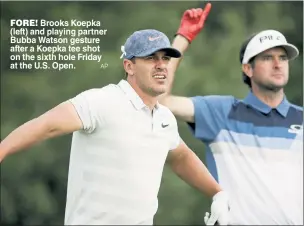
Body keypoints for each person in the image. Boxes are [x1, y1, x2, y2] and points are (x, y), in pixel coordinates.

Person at [0, 28, 231, 225]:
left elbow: (181, 157)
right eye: (151, 58)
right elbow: (46, 125)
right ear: (129, 66)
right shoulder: (102, 101)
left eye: (166, 59)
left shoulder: (164, 118)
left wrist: (218, 193)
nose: (161, 66)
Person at [161, 3, 303, 225]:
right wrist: (182, 40)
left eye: (283, 57)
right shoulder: (221, 113)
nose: (278, 64)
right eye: (267, 58)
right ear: (248, 69)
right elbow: (161, 101)